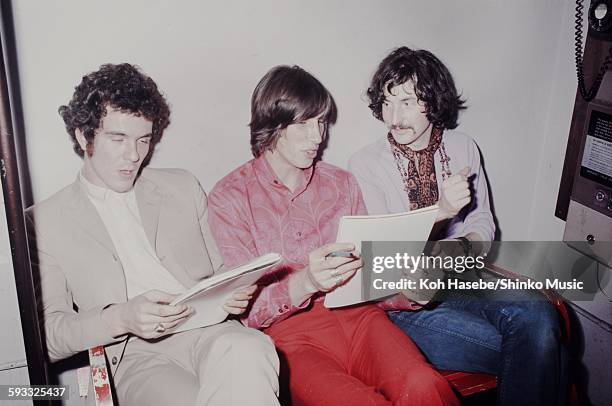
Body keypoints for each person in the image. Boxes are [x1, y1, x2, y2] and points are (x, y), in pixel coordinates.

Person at [26, 63, 280, 406]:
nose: (134, 156)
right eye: (118, 139)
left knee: (249, 348)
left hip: (210, 332)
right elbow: (50, 336)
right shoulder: (43, 221)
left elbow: (221, 273)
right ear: (83, 136)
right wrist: (121, 316)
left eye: (143, 140)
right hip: (133, 356)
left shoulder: (182, 186)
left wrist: (231, 294)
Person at [208, 65, 458, 406]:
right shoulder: (230, 197)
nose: (318, 137)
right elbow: (244, 311)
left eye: (322, 122)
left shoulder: (341, 183)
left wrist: (411, 291)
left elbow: (372, 275)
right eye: (304, 124)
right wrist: (307, 282)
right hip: (290, 337)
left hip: (360, 318)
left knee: (423, 384)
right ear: (273, 123)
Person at [349, 47, 567, 405]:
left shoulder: (464, 148)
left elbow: (483, 222)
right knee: (540, 344)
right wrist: (442, 212)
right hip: (405, 304)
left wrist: (460, 249)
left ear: (433, 101)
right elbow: (387, 258)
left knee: (540, 315)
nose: (394, 116)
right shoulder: (365, 165)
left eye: (407, 101)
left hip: (463, 277)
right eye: (387, 102)